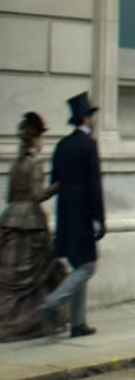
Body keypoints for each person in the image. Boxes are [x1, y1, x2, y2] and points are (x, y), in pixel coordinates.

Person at [41, 92, 106, 339]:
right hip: (82, 214)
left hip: (65, 213)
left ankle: (78, 323)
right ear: (86, 119)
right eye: (92, 116)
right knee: (87, 267)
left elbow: (54, 181)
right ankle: (53, 303)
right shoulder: (88, 146)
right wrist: (100, 217)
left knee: (79, 264)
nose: (94, 120)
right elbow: (94, 184)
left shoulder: (62, 145)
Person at [0, 113, 69, 341]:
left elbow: (10, 196)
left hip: (11, 221)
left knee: (10, 278)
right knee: (39, 275)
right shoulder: (35, 164)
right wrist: (59, 185)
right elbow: (39, 195)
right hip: (31, 224)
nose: (43, 142)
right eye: (42, 138)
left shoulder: (16, 164)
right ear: (36, 139)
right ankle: (34, 322)